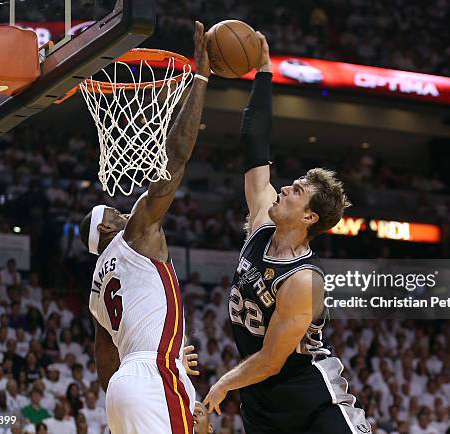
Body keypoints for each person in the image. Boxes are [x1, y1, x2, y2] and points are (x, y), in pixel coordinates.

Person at [203, 33, 371, 434]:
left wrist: (223, 383)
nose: (282, 189)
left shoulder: (304, 280)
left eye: (296, 191)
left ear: (310, 217)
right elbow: (254, 146)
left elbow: (272, 360)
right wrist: (263, 73)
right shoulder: (261, 224)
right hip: (262, 407)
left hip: (314, 406)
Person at [77, 21, 210, 434]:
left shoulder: (97, 295)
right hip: (152, 375)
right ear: (106, 232)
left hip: (123, 386)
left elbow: (104, 359)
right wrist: (201, 79)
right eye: (112, 214)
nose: (120, 212)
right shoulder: (134, 235)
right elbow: (175, 157)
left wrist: (127, 391)